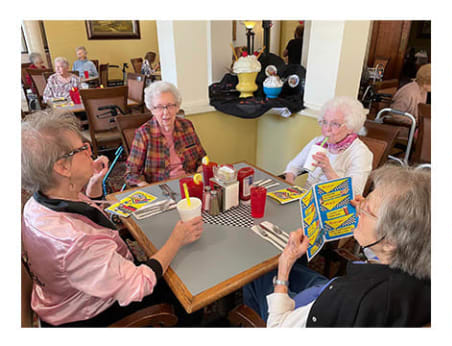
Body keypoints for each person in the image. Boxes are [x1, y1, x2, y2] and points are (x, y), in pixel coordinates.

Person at [21, 110, 204, 326]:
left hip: (68, 292)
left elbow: (84, 218)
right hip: (91, 312)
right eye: (83, 148)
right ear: (62, 167)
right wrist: (177, 239)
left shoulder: (39, 202)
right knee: (190, 289)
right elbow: (139, 284)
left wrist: (93, 185)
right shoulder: (75, 243)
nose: (91, 152)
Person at [243, 165, 431, 327]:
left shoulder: (349, 299)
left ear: (390, 242)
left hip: (319, 305)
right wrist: (367, 212)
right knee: (298, 267)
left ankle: (248, 318)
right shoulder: (422, 271)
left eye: (366, 209)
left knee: (258, 270)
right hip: (332, 288)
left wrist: (283, 268)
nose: (359, 209)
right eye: (365, 199)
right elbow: (384, 254)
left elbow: (279, 328)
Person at [283, 96, 372, 197]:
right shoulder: (318, 142)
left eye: (335, 124)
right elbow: (293, 166)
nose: (327, 129)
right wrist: (289, 185)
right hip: (307, 200)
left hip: (333, 207)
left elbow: (354, 194)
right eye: (324, 122)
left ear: (350, 127)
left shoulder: (360, 153)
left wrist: (328, 170)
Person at [125, 81, 207, 186]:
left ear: (177, 107)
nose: (165, 112)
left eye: (170, 106)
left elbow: (202, 158)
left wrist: (201, 170)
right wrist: (145, 186)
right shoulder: (144, 134)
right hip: (162, 188)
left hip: (190, 182)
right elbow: (131, 173)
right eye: (159, 107)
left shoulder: (187, 126)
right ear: (152, 109)